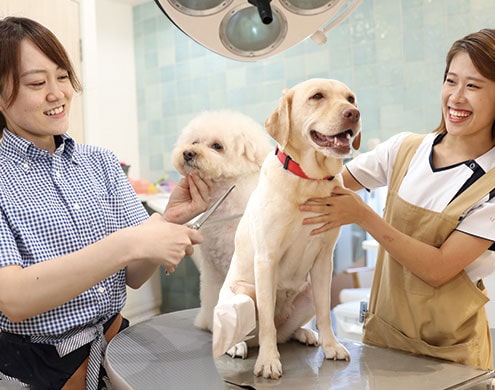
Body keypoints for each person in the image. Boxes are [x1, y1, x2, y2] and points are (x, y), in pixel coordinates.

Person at [0, 16, 211, 389]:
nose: (57, 93)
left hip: (115, 344)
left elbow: (134, 275)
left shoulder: (100, 163)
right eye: (37, 83)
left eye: (63, 76)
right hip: (33, 369)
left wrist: (167, 220)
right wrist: (129, 242)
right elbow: (14, 298)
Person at [300, 28, 495, 370]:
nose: (456, 97)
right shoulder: (405, 149)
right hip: (384, 342)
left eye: (474, 86)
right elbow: (324, 187)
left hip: (451, 358)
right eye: (451, 81)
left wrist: (363, 215)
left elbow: (437, 269)